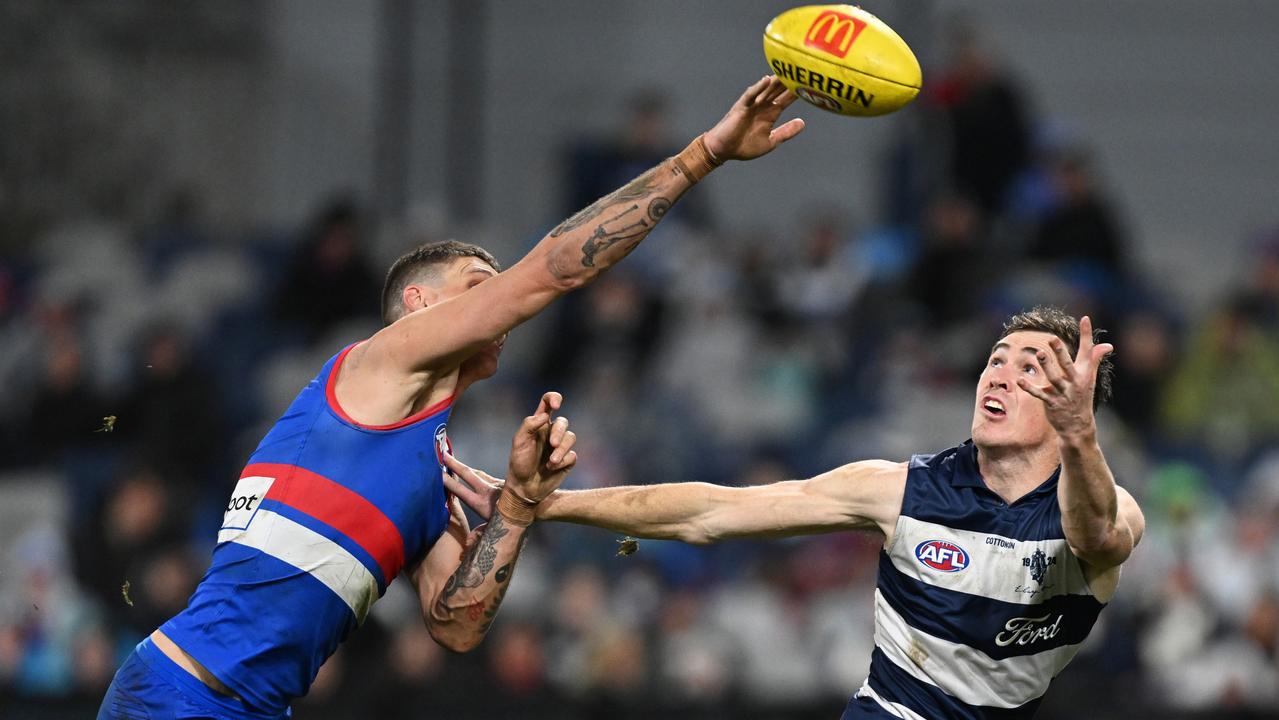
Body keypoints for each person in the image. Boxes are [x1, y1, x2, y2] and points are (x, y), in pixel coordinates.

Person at [96, 75, 805, 719]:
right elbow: (547, 275)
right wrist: (702, 156)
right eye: (477, 284)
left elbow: (456, 624)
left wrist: (519, 508)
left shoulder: (432, 479)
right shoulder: (376, 362)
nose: (494, 303)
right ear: (416, 304)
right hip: (181, 694)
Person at [445, 306, 1146, 719]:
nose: (998, 373)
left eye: (1030, 368)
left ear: (1072, 403)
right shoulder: (900, 490)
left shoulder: (1104, 505)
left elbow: (1095, 536)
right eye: (995, 359)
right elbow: (712, 512)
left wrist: (1081, 436)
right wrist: (546, 503)